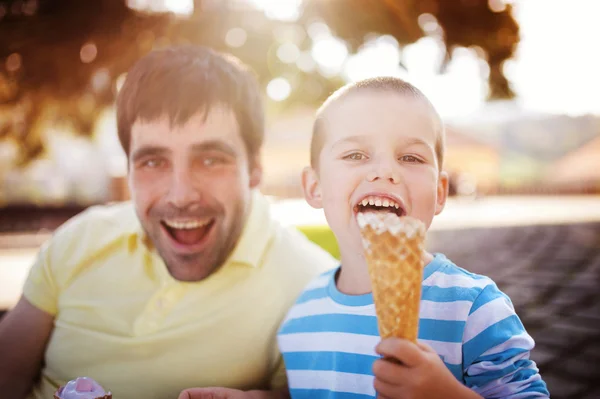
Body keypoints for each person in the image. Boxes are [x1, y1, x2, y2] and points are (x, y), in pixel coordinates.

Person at [0, 46, 337, 399]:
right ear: (129, 168)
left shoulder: (313, 291)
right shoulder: (79, 241)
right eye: (152, 162)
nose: (180, 195)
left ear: (254, 168)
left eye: (210, 160)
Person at [276, 77, 550, 398]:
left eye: (411, 158)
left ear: (439, 192)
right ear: (314, 187)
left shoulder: (475, 310)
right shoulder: (300, 314)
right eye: (354, 154)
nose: (385, 170)